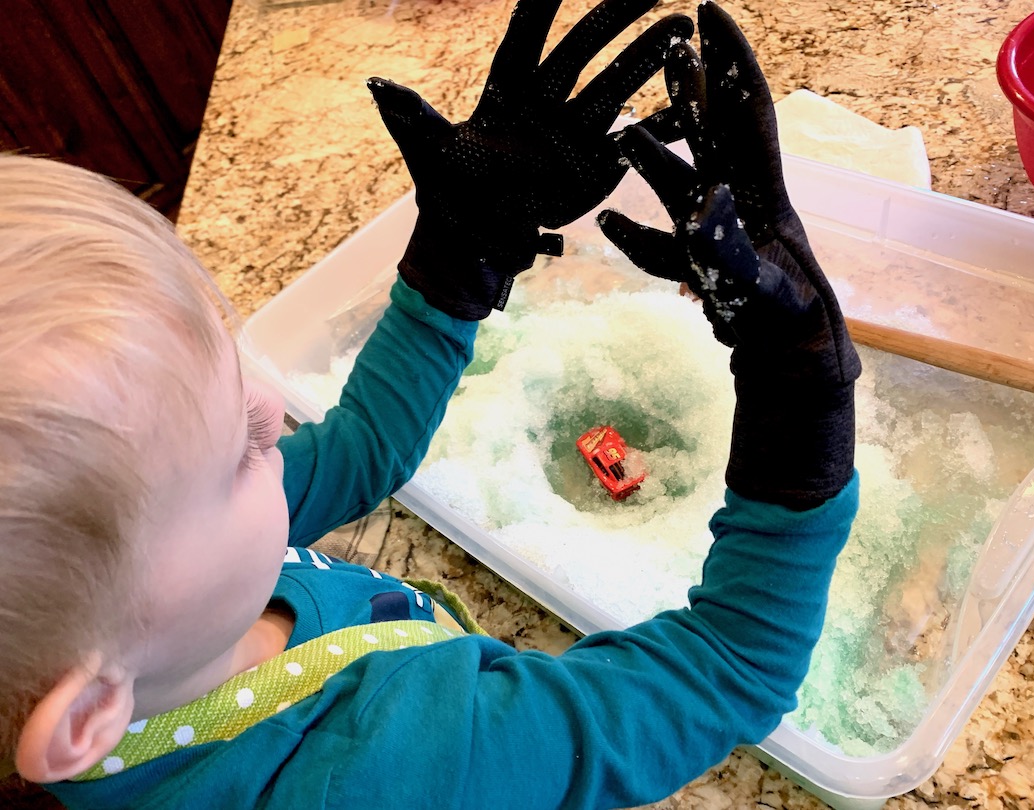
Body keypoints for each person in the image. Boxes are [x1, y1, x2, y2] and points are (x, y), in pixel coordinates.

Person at [1, 3, 860, 810]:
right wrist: (801, 405)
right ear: (85, 714)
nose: (269, 399)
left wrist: (458, 256)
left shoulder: (146, 613)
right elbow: (730, 667)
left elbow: (361, 448)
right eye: (238, 449)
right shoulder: (394, 770)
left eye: (233, 377)